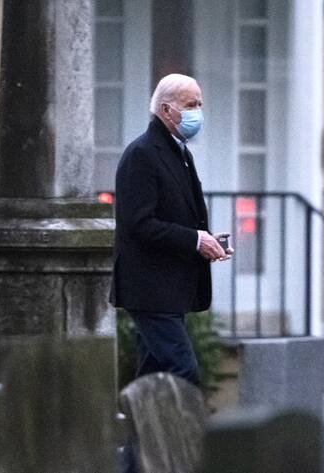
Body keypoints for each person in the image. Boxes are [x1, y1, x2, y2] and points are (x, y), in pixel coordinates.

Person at [109, 73, 231, 388]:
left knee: (153, 379)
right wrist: (194, 240)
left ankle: (140, 439)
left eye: (200, 104)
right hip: (150, 289)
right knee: (182, 371)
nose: (198, 112)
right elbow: (139, 224)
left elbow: (174, 215)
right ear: (166, 110)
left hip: (168, 290)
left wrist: (206, 241)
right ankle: (180, 439)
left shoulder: (179, 153)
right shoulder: (143, 154)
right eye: (191, 105)